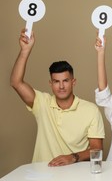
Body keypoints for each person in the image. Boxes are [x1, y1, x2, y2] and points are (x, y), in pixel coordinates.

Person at [10, 29, 105, 166]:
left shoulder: (91, 110)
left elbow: (97, 150)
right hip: (42, 174)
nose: (61, 86)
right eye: (56, 81)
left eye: (65, 81)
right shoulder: (42, 102)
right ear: (51, 84)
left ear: (73, 82)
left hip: (75, 177)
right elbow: (16, 82)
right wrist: (25, 50)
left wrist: (71, 158)